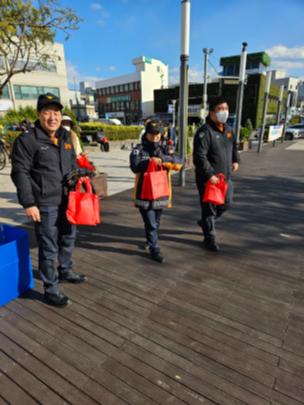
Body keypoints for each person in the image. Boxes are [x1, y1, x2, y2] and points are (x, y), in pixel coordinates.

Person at [11, 93, 89, 308]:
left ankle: (65, 271)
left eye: (56, 112)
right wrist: (29, 203)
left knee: (68, 238)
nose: (52, 117)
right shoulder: (27, 140)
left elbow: (72, 162)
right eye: (47, 112)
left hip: (68, 199)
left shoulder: (65, 135)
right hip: (44, 203)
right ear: (38, 114)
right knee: (48, 247)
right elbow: (20, 173)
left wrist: (80, 173)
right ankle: (51, 288)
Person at [130, 120, 183, 263]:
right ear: (146, 134)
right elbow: (134, 166)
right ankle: (154, 248)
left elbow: (179, 162)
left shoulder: (167, 149)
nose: (154, 136)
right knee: (151, 222)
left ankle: (150, 239)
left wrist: (162, 159)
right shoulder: (139, 149)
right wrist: (149, 162)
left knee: (156, 220)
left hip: (160, 193)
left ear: (162, 135)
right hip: (144, 193)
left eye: (157, 133)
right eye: (151, 133)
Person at [193, 96, 240, 252]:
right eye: (220, 109)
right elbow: (199, 157)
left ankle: (205, 222)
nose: (224, 112)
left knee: (226, 203)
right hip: (209, 179)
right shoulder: (205, 132)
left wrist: (236, 160)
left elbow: (234, 147)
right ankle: (209, 237)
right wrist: (209, 175)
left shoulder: (228, 129)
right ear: (212, 113)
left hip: (225, 177)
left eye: (225, 109)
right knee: (209, 209)